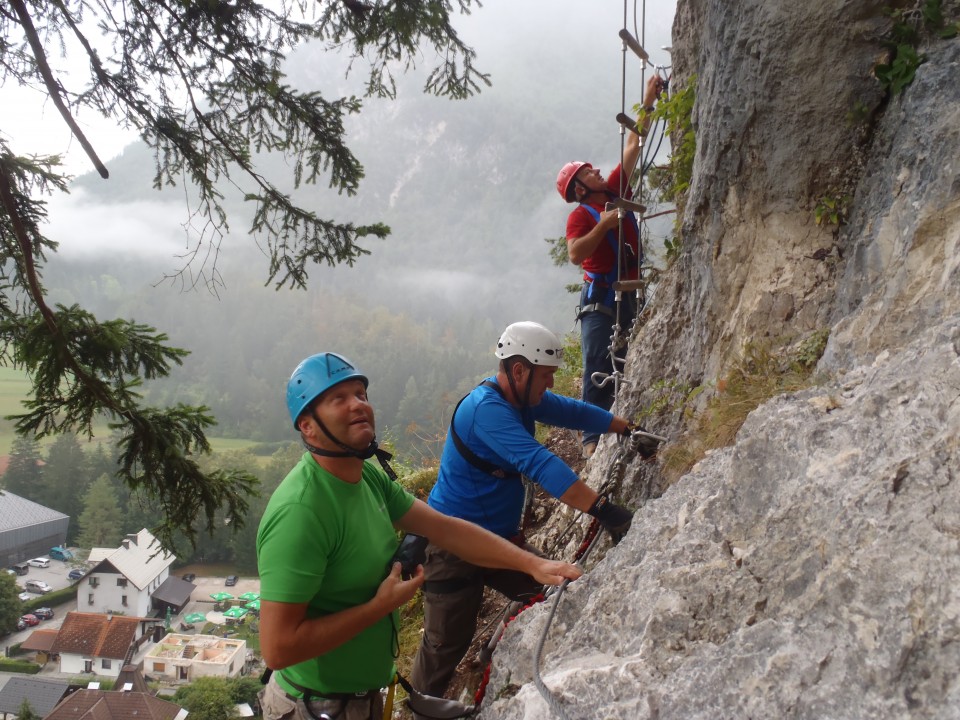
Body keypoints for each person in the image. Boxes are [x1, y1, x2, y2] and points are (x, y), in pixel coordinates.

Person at [257, 352, 582, 720]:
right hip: (312, 705)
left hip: (358, 697)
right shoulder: (301, 512)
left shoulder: (367, 477)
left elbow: (445, 528)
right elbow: (277, 649)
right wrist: (379, 607)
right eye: (339, 399)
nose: (359, 405)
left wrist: (533, 564)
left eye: (361, 394)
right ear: (308, 426)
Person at [410, 321, 639, 699]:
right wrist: (604, 510)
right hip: (452, 547)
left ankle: (498, 651)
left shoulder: (520, 399)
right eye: (546, 375)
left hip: (497, 542)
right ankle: (421, 708)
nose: (550, 384)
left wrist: (625, 427)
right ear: (520, 371)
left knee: (550, 592)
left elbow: (572, 412)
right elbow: (540, 463)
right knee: (444, 645)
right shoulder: (486, 410)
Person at [556, 74, 665, 458]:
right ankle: (590, 445)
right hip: (601, 299)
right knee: (598, 367)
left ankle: (629, 426)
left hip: (629, 294)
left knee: (630, 358)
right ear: (579, 190)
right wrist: (604, 224)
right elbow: (574, 253)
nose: (596, 170)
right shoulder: (582, 216)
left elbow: (634, 143)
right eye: (587, 172)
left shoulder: (615, 191)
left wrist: (648, 100)